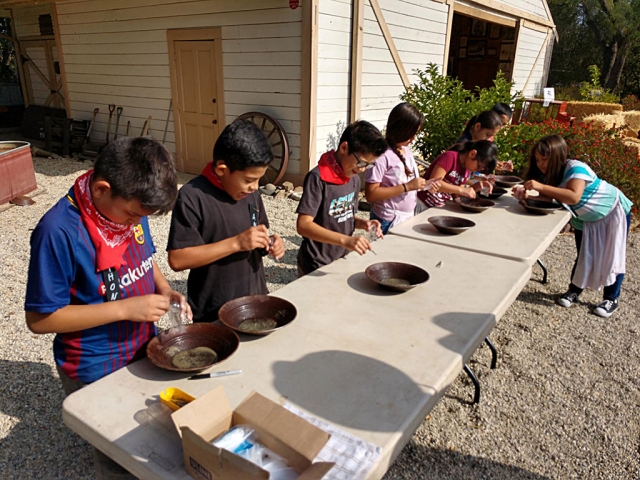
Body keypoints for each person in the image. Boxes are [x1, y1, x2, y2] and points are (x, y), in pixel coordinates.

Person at [25, 137, 187, 479]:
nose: (132, 225)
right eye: (131, 216)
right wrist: (126, 309)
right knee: (118, 455)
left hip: (142, 349)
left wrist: (165, 289)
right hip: (94, 363)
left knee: (147, 436)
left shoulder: (127, 209)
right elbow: (40, 319)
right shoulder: (58, 232)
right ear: (101, 189)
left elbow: (146, 259)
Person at [167, 119, 285, 322]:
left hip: (255, 300)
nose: (255, 187)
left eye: (259, 180)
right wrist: (236, 243)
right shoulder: (193, 196)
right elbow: (178, 259)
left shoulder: (250, 194)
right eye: (249, 180)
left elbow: (259, 233)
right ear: (222, 170)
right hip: (215, 311)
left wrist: (271, 242)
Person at [513, 135, 632, 318]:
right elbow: (554, 197)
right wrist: (527, 196)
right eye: (538, 160)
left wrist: (540, 187)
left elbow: (573, 196)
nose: (541, 164)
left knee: (612, 255)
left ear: (558, 156)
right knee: (584, 255)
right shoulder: (551, 175)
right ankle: (574, 290)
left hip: (611, 213)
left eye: (545, 159)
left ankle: (611, 298)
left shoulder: (576, 168)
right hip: (585, 219)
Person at [296, 120, 388, 276]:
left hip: (340, 258)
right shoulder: (318, 178)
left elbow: (344, 217)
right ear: (344, 148)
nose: (363, 169)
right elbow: (303, 225)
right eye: (361, 162)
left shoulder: (353, 179)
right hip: (315, 262)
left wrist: (363, 223)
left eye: (369, 165)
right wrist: (345, 240)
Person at [364, 102, 441, 234]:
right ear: (401, 129)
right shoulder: (381, 155)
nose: (414, 138)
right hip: (387, 220)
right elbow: (371, 194)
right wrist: (407, 187)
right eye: (412, 133)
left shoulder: (406, 150)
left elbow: (407, 182)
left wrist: (425, 185)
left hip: (407, 216)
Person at [417, 140, 498, 208]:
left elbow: (457, 197)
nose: (478, 170)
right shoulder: (450, 157)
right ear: (472, 154)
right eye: (479, 167)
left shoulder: (466, 169)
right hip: (423, 203)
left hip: (438, 207)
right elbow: (434, 182)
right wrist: (462, 190)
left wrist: (475, 187)